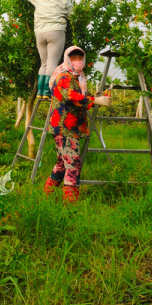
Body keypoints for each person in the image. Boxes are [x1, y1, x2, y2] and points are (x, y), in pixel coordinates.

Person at [43, 46, 112, 203]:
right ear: (67, 59)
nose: (77, 61)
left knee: (62, 163)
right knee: (73, 165)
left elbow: (84, 97)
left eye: (79, 58)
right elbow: (70, 96)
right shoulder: (63, 77)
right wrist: (95, 101)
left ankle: (47, 195)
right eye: (73, 58)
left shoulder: (79, 78)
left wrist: (98, 98)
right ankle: (70, 204)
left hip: (70, 126)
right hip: (64, 127)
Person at [26, 0, 73, 99]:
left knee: (44, 63)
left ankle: (40, 92)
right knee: (52, 62)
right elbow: (72, 13)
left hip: (40, 33)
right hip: (56, 31)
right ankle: (47, 91)